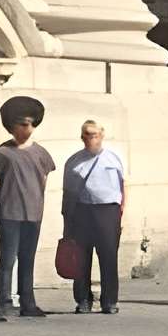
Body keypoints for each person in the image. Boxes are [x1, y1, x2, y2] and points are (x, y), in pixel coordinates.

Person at [0, 99, 55, 322]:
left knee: (28, 259)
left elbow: (43, 179)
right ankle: (4, 304)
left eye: (31, 125)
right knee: (8, 260)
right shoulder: (3, 153)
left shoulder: (41, 153)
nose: (27, 129)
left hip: (33, 215)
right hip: (9, 215)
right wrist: (3, 198)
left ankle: (28, 302)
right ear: (12, 126)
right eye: (22, 125)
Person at [61, 121, 127, 311]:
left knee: (108, 257)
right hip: (82, 211)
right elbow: (68, 193)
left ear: (102, 135)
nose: (92, 139)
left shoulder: (114, 159)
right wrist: (67, 221)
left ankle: (110, 301)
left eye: (95, 135)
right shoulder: (73, 162)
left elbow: (123, 186)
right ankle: (83, 300)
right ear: (82, 137)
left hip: (108, 211)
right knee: (81, 257)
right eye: (88, 135)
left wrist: (121, 211)